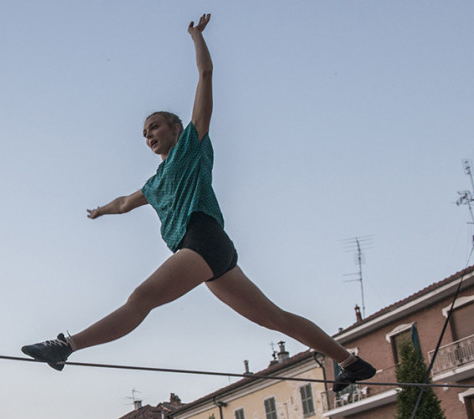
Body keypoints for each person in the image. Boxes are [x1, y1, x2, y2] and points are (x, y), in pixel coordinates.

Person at [20, 13, 376, 395]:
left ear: (175, 128)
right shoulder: (155, 183)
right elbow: (125, 202)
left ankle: (66, 346)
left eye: (155, 126)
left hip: (202, 240)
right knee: (274, 318)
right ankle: (351, 362)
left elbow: (205, 76)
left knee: (141, 299)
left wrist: (195, 37)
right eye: (144, 133)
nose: (149, 135)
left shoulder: (191, 145)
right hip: (210, 255)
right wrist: (101, 210)